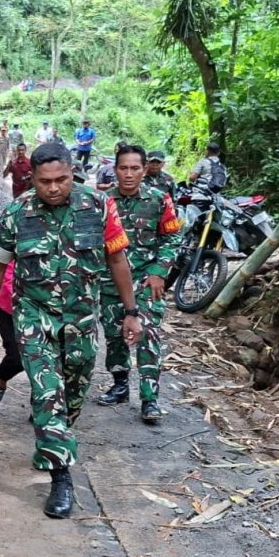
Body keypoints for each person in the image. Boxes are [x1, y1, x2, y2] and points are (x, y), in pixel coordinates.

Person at [0, 143, 142, 519]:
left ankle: (56, 437)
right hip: (34, 317)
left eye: (61, 179)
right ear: (31, 179)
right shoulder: (17, 213)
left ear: (73, 173)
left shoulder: (98, 207)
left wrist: (131, 312)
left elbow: (117, 258)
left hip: (82, 318)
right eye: (44, 181)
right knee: (47, 391)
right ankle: (61, 475)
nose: (53, 188)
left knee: (75, 388)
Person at [97, 145, 180, 422]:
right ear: (115, 169)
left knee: (148, 334)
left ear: (145, 170)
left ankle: (149, 398)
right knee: (113, 335)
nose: (129, 174)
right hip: (109, 283)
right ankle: (120, 384)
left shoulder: (159, 199)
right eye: (123, 168)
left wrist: (159, 271)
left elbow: (172, 238)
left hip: (147, 281)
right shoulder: (102, 201)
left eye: (135, 168)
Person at [0, 261, 22, 402]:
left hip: (52, 309)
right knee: (17, 358)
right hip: (11, 306)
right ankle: (1, 377)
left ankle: (41, 406)